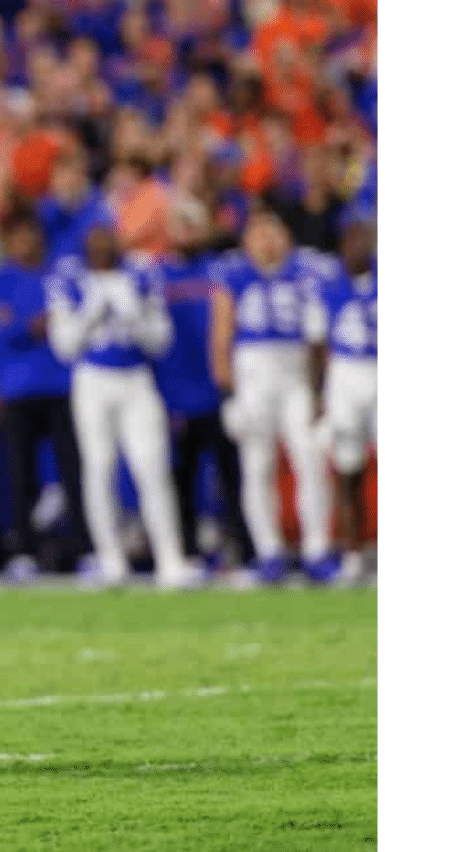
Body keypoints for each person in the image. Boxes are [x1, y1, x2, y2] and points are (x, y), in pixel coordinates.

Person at [47, 223, 194, 587]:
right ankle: (111, 559)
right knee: (100, 467)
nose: (101, 245)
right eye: (94, 240)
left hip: (136, 378)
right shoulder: (69, 280)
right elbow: (64, 346)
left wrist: (134, 314)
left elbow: (161, 340)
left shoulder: (141, 275)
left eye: (107, 237)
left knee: (152, 466)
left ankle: (170, 559)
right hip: (92, 380)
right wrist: (92, 312)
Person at [210, 208, 334, 583]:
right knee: (256, 463)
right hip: (253, 375)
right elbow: (220, 338)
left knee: (309, 458)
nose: (267, 239)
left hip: (296, 372)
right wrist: (228, 394)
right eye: (258, 231)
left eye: (273, 229)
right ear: (246, 240)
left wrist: (321, 391)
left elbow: (320, 338)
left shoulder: (308, 272)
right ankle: (269, 550)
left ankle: (317, 548)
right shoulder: (233, 274)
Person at [0, 216, 87, 574]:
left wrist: (28, 323)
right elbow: (0, 330)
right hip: (17, 388)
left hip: (61, 385)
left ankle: (82, 548)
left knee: (74, 471)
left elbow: (73, 322)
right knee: (18, 473)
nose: (26, 243)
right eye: (19, 236)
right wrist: (33, 324)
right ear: (10, 242)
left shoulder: (58, 275)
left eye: (32, 235)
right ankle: (22, 551)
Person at [155, 198, 251, 571]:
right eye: (179, 225)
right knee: (182, 479)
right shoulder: (156, 275)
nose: (186, 232)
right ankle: (187, 553)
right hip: (176, 393)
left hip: (218, 390)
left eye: (192, 224)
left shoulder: (221, 272)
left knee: (233, 476)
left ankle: (244, 550)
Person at [316, 216, 375, 584]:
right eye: (351, 240)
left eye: (364, 239)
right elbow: (316, 344)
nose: (358, 247)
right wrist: (318, 396)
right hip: (345, 374)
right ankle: (352, 553)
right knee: (347, 468)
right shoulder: (327, 287)